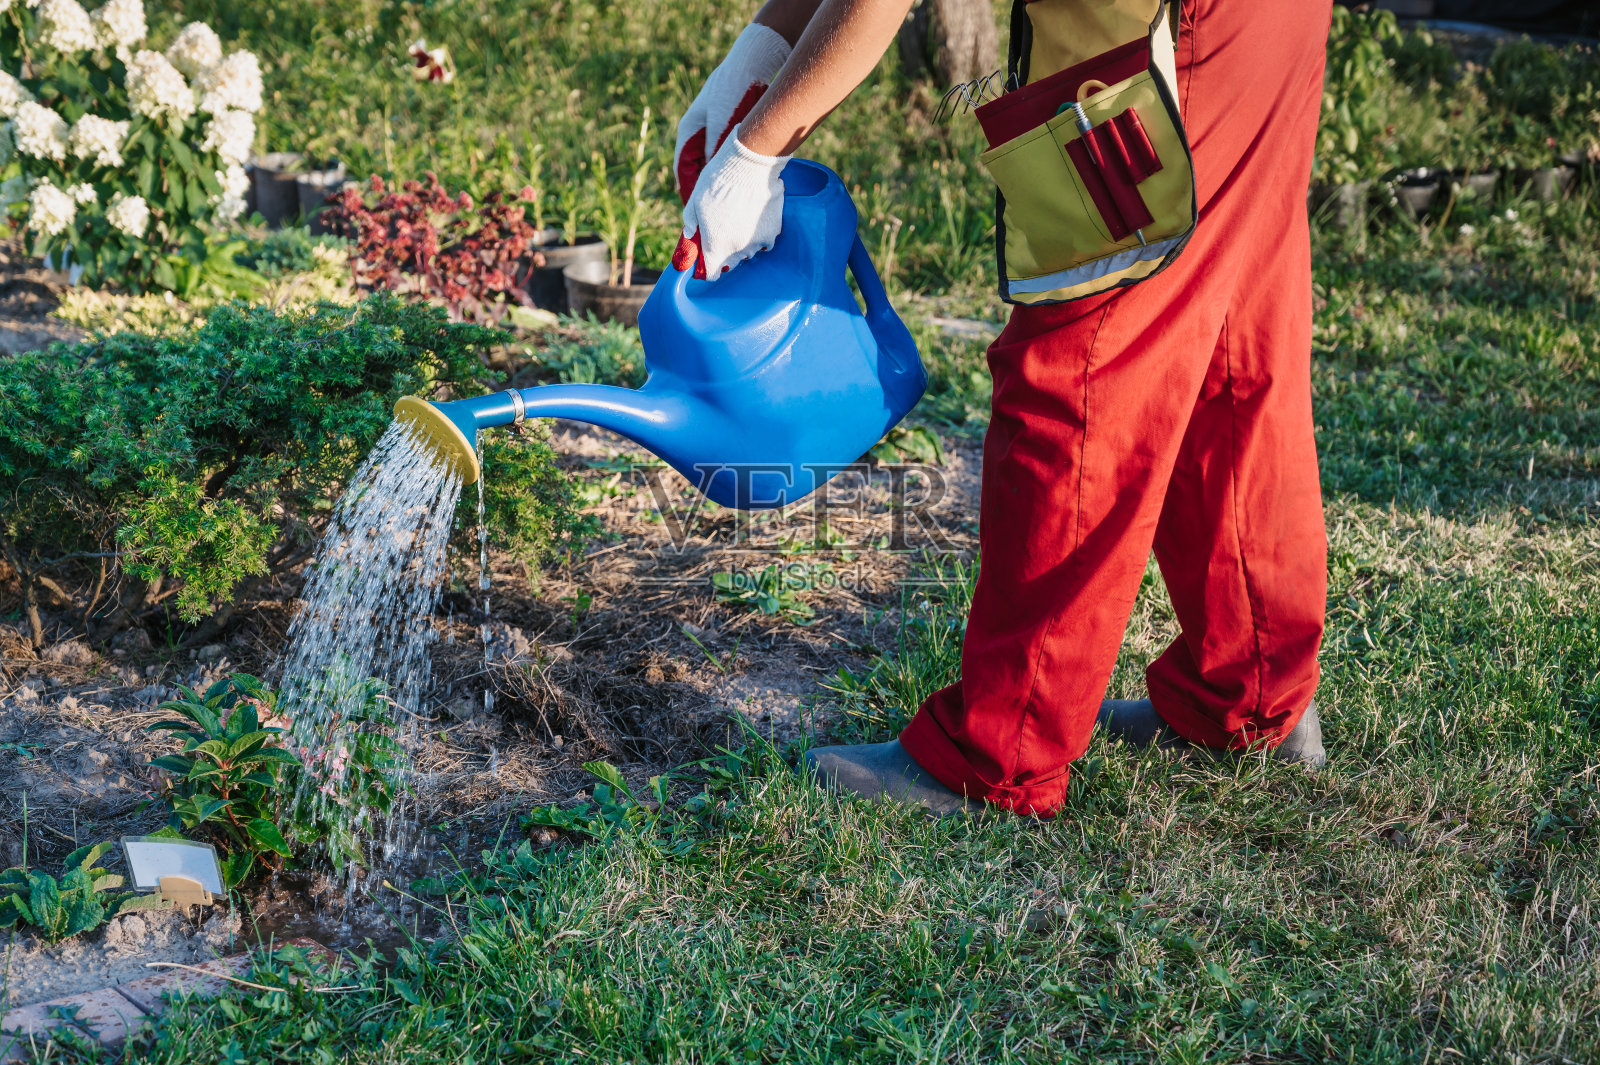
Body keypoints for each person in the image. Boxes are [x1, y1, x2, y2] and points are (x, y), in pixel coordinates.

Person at [675, 0, 1332, 817]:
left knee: (1085, 356)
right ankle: (1250, 688)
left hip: (1171, 30)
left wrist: (757, 150)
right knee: (1234, 333)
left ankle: (999, 751)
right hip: (1259, 23)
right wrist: (760, 51)